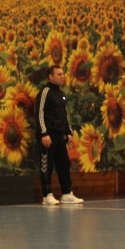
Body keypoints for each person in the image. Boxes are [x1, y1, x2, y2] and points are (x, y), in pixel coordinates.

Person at [36, 66, 83, 206]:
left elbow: (64, 114)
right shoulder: (45, 92)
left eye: (63, 74)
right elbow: (39, 113)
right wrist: (44, 133)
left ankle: (66, 193)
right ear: (51, 77)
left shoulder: (61, 93)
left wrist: (68, 132)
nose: (62, 76)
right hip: (48, 136)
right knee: (47, 166)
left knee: (64, 164)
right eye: (59, 74)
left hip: (60, 136)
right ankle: (47, 195)